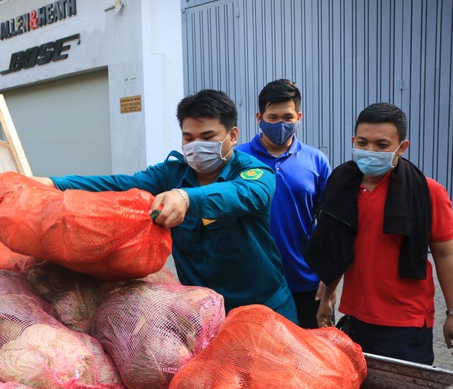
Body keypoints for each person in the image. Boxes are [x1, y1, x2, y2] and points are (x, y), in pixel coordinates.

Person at [34, 89, 298, 323]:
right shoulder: (170, 173)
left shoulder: (255, 173)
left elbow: (242, 194)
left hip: (265, 311)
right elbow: (121, 184)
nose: (196, 146)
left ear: (233, 135)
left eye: (207, 137)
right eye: (188, 138)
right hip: (204, 316)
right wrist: (53, 183)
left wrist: (186, 198)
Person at [305, 102, 453, 364]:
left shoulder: (427, 192)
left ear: (401, 147)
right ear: (353, 141)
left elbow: (445, 255)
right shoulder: (342, 188)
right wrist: (327, 297)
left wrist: (452, 312)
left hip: (406, 326)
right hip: (354, 320)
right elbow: (338, 246)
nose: (370, 151)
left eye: (381, 145)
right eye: (362, 142)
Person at [236, 79, 331, 328]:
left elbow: (328, 224)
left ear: (299, 116)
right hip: (253, 283)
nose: (280, 124)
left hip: (306, 283)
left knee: (307, 359)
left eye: (287, 117)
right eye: (273, 116)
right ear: (259, 116)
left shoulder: (317, 161)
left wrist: (329, 279)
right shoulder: (238, 158)